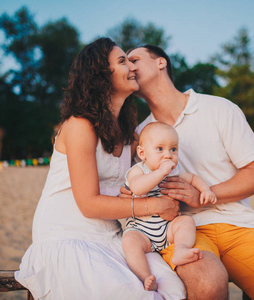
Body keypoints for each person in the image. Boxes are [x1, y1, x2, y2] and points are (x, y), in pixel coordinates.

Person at [123, 44, 254, 300]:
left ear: (161, 62)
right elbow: (136, 188)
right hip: (181, 231)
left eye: (134, 59)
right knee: (208, 286)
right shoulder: (141, 135)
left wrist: (204, 196)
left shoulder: (219, 109)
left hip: (239, 225)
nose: (128, 66)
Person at [15, 38, 185, 300]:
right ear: (100, 76)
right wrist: (153, 206)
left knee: (173, 290)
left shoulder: (128, 133)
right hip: (68, 235)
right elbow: (89, 204)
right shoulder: (80, 125)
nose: (132, 67)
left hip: (113, 235)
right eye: (122, 61)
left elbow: (138, 176)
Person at [122, 121, 216, 291]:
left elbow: (192, 178)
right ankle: (145, 276)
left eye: (173, 149)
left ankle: (180, 250)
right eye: (160, 149)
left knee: (186, 222)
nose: (168, 155)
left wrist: (205, 190)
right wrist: (160, 173)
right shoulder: (138, 171)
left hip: (167, 229)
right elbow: (137, 187)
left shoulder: (174, 171)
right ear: (142, 153)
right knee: (129, 242)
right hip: (141, 231)